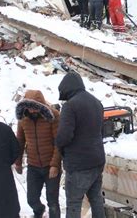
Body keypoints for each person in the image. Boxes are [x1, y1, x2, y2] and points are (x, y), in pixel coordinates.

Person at [56, 72, 105, 218]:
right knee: (96, 199)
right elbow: (100, 130)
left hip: (78, 164)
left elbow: (64, 136)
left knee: (74, 202)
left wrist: (59, 146)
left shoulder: (70, 106)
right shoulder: (96, 102)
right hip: (97, 160)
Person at [15, 90, 61, 218]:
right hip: (33, 165)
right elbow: (20, 140)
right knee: (31, 199)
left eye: (35, 108)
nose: (32, 111)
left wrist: (55, 165)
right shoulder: (23, 119)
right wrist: (18, 162)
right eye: (29, 107)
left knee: (53, 201)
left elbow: (59, 142)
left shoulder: (54, 116)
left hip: (50, 165)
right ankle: (39, 211)